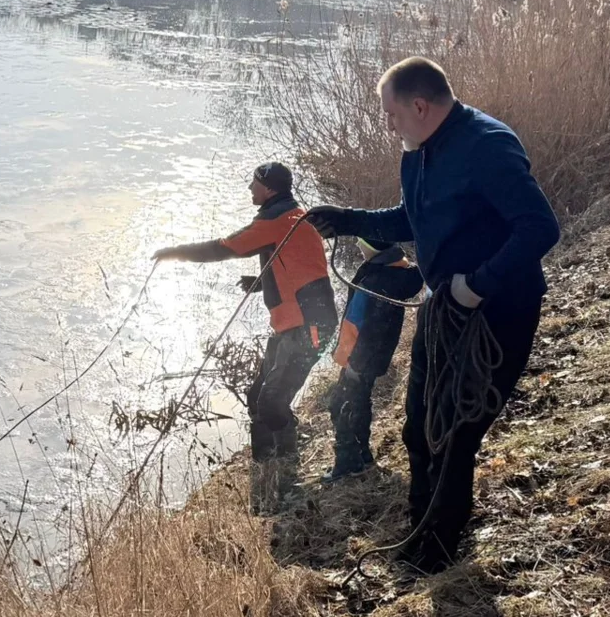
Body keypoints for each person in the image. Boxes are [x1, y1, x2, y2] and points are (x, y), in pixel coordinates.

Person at [304, 57, 560, 572]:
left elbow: (540, 228)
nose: (388, 124)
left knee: (456, 434)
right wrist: (347, 219)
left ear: (419, 106)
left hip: (497, 313)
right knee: (419, 426)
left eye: (391, 114)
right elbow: (413, 217)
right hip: (443, 308)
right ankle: (421, 526)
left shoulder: (488, 145)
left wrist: (476, 286)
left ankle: (438, 553)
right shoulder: (419, 149)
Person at [154, 161, 337, 513]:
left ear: (268, 188)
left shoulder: (276, 221)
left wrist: (173, 253)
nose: (250, 189)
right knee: (258, 396)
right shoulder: (292, 217)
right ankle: (263, 466)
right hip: (293, 324)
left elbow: (223, 247)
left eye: (254, 183)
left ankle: (287, 472)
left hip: (308, 327)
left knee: (272, 402)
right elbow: (297, 267)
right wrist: (261, 284)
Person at [326, 239, 423, 482]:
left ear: (374, 248)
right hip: (368, 355)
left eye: (362, 243)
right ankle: (363, 457)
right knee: (357, 402)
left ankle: (349, 464)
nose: (358, 245)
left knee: (342, 405)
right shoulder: (394, 271)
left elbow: (361, 325)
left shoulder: (376, 281)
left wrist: (353, 361)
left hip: (360, 356)